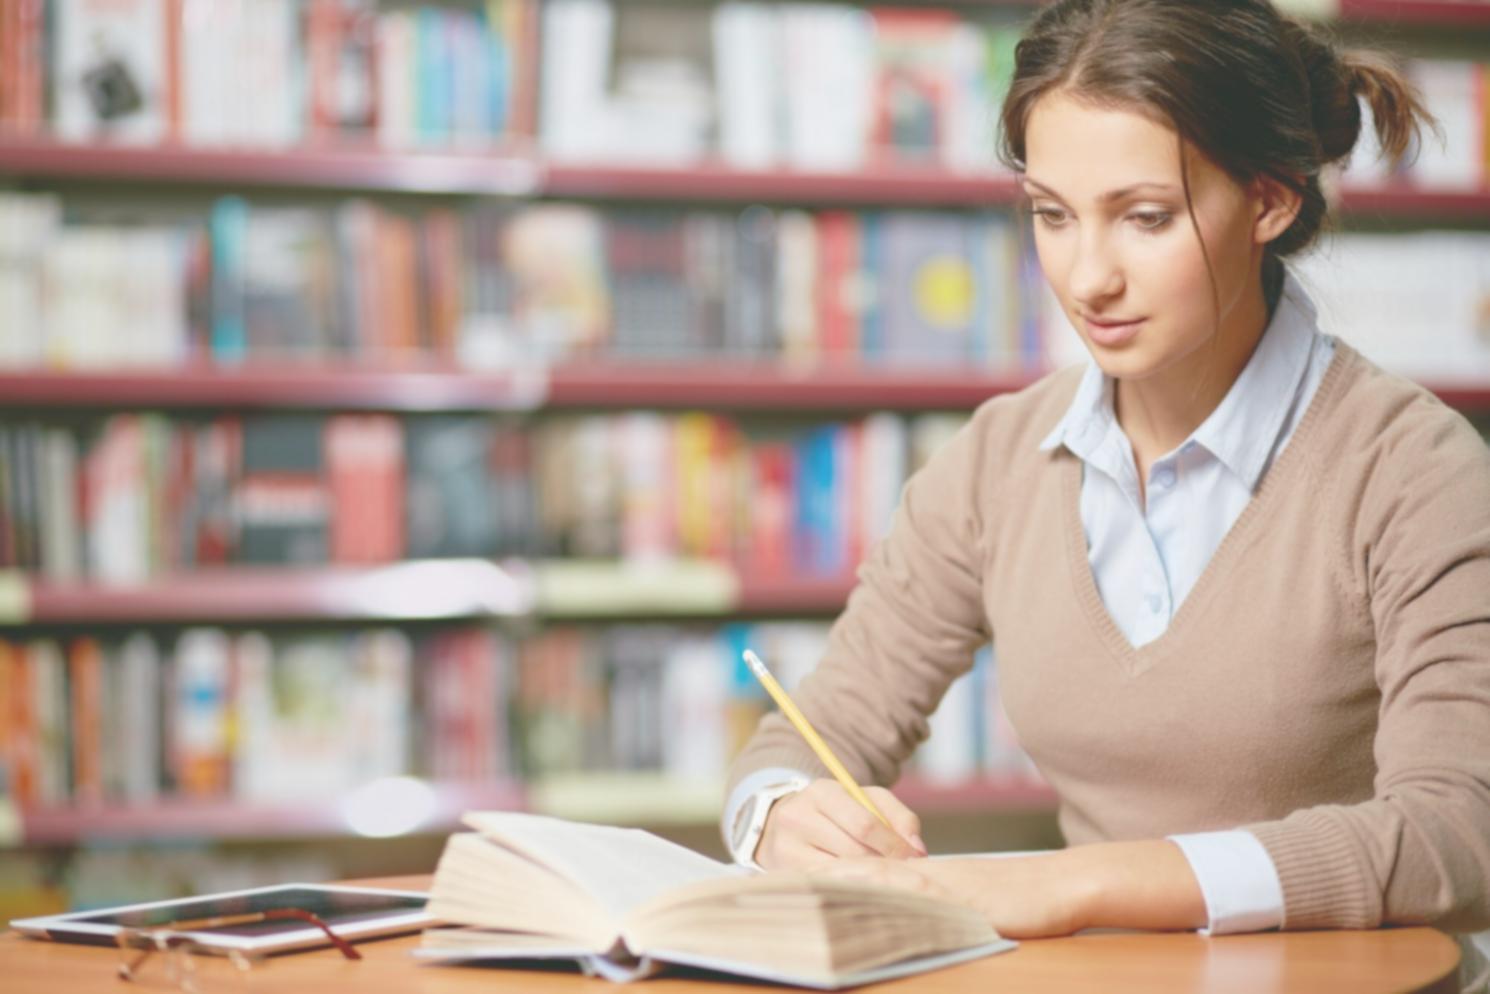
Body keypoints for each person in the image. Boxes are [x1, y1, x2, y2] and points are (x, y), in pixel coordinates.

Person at [721, 0, 1490, 988]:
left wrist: (1077, 885)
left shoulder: (1410, 467)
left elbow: (1456, 833)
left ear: (1268, 201)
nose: (1085, 278)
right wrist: (779, 812)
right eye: (1050, 214)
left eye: (1144, 217)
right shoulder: (1000, 459)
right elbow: (807, 731)